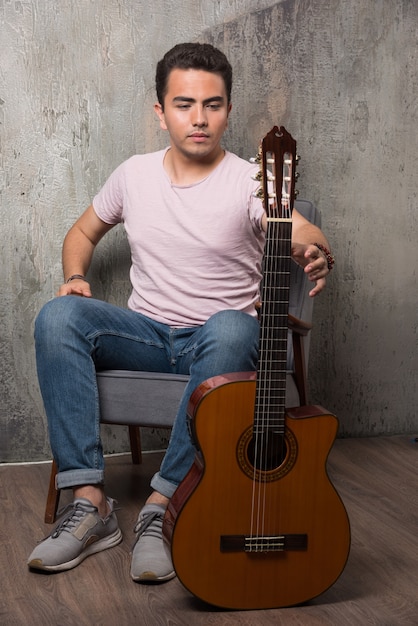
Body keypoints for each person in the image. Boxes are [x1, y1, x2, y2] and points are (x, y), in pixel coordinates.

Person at [28, 42, 334, 581]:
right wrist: (76, 277)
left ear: (228, 111)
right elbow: (82, 232)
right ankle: (88, 501)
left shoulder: (250, 179)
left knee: (233, 325)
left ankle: (162, 506)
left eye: (212, 105)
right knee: (57, 317)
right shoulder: (134, 174)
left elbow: (293, 227)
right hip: (145, 333)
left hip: (220, 343)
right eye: (185, 104)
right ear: (160, 112)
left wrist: (310, 246)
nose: (199, 119)